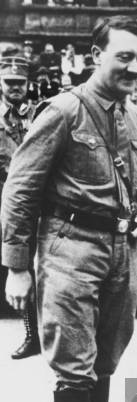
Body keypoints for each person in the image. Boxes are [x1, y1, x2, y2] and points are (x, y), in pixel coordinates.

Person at [1, 16, 137, 402]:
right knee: (75, 369)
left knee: (105, 360)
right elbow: (21, 188)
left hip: (123, 249)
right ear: (97, 55)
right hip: (70, 248)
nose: (135, 68)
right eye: (124, 58)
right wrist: (18, 265)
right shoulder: (64, 110)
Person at [0, 55, 41, 358]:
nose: (15, 88)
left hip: (39, 201)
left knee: (37, 268)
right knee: (17, 265)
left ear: (29, 85)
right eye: (9, 83)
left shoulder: (40, 115)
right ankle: (31, 333)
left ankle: (40, 334)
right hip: (6, 200)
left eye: (20, 83)